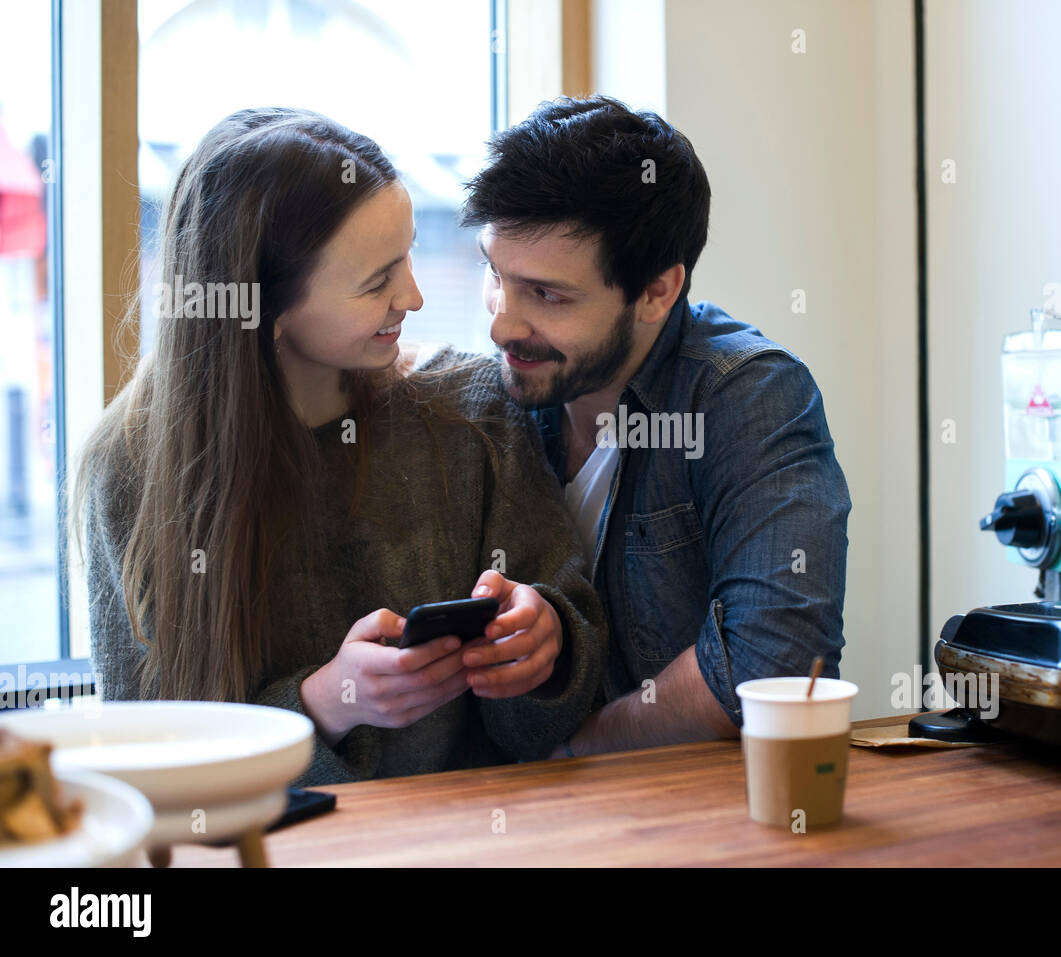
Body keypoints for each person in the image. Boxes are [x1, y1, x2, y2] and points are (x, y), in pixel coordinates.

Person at [76, 108, 606, 786]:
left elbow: (557, 696)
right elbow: (144, 759)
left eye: (410, 255)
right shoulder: (129, 470)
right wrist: (322, 704)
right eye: (376, 280)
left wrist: (549, 643)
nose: (413, 295)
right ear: (263, 309)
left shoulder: (474, 413)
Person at [459, 96, 851, 757]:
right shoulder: (498, 397)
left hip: (686, 822)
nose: (501, 323)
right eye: (495, 275)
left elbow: (768, 668)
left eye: (546, 295)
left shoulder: (748, 398)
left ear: (657, 292)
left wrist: (568, 762)